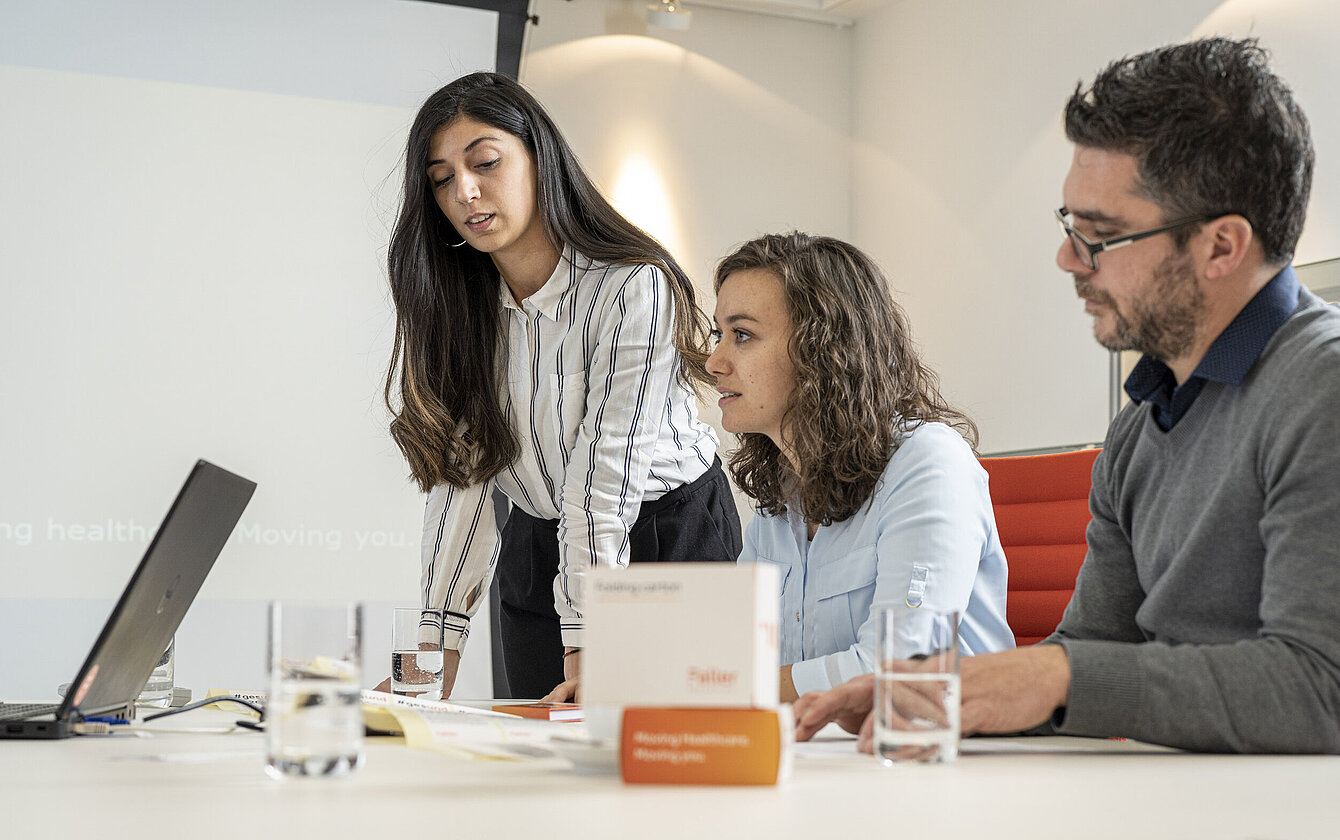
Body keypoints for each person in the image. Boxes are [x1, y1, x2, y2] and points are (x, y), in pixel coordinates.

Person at [793, 37, 1340, 754]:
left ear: (1221, 246)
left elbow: (1320, 688)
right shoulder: (1142, 426)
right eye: (1070, 227)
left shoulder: (1322, 390)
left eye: (1100, 235)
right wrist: (943, 688)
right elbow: (1090, 653)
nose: (1067, 258)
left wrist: (1057, 675)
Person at [382, 72, 741, 700]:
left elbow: (605, 479)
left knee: (661, 748)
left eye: (485, 163)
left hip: (667, 535)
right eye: (441, 179)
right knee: (540, 748)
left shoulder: (632, 287)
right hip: (539, 539)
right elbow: (461, 480)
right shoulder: (460, 306)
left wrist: (587, 639)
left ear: (539, 158)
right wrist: (433, 652)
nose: (464, 191)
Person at [705, 232, 1015, 703]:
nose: (714, 361)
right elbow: (730, 655)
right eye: (719, 335)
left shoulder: (929, 463)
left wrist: (714, 685)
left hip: (945, 744)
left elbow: (898, 669)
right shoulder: (781, 491)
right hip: (821, 745)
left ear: (821, 349)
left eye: (741, 335)